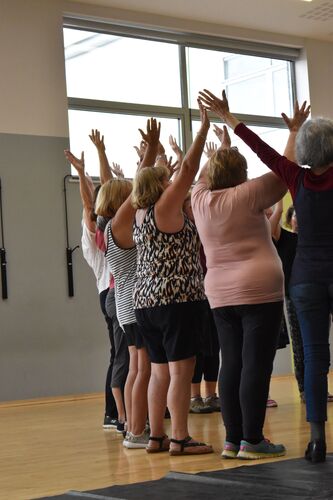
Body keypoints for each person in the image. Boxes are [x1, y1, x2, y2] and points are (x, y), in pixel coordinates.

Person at [201, 88, 332, 464]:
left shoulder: (296, 178)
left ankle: (316, 440)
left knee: (314, 357)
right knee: (263, 362)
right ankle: (257, 438)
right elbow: (268, 156)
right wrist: (294, 130)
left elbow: (262, 150)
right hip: (272, 285)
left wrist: (227, 120)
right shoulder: (273, 186)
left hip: (303, 280)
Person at [191, 98, 287, 460]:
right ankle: (253, 439)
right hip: (259, 289)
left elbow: (203, 175)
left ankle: (232, 440)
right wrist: (235, 126)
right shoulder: (250, 193)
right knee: (256, 364)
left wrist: (214, 144)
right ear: (243, 175)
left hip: (219, 292)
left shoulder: (200, 199)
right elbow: (282, 167)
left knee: (229, 362)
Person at [132, 101, 213, 456]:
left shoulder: (138, 214)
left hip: (147, 302)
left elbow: (147, 175)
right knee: (181, 372)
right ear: (162, 186)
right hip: (176, 301)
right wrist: (203, 130)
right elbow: (191, 168)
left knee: (160, 371)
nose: (172, 180)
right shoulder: (165, 209)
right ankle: (179, 437)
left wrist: (153, 155)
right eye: (167, 179)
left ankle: (156, 437)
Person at [63, 148, 118, 428]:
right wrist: (83, 172)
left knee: (125, 354)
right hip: (108, 293)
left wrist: (89, 167)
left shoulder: (110, 225)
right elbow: (89, 204)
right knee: (119, 354)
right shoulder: (94, 227)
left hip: (113, 292)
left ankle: (121, 411)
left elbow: (103, 191)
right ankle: (112, 413)